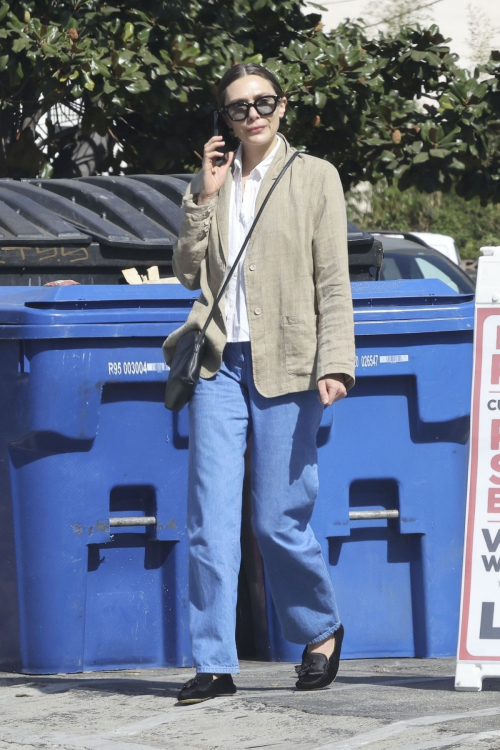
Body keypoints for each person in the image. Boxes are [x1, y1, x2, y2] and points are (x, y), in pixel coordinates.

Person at [163, 62, 355, 704]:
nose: (252, 115)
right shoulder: (213, 179)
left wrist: (336, 361)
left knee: (278, 519)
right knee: (209, 520)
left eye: (262, 103)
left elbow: (333, 278)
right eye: (239, 108)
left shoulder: (315, 177)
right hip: (219, 363)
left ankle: (321, 629)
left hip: (290, 360)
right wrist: (204, 198)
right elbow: (187, 272)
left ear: (282, 107)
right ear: (226, 117)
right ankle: (215, 662)